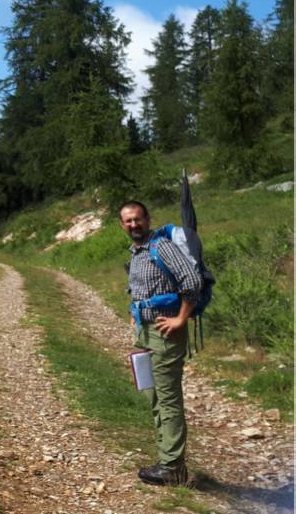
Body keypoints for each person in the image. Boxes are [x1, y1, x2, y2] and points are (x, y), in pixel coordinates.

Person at [120, 199, 202, 487]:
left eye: (138, 219)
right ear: (122, 224)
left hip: (166, 334)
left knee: (168, 399)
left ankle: (173, 467)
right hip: (146, 332)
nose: (133, 225)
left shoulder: (162, 246)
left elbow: (192, 281)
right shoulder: (137, 251)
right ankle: (165, 456)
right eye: (128, 221)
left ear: (148, 219)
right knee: (152, 394)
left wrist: (180, 319)